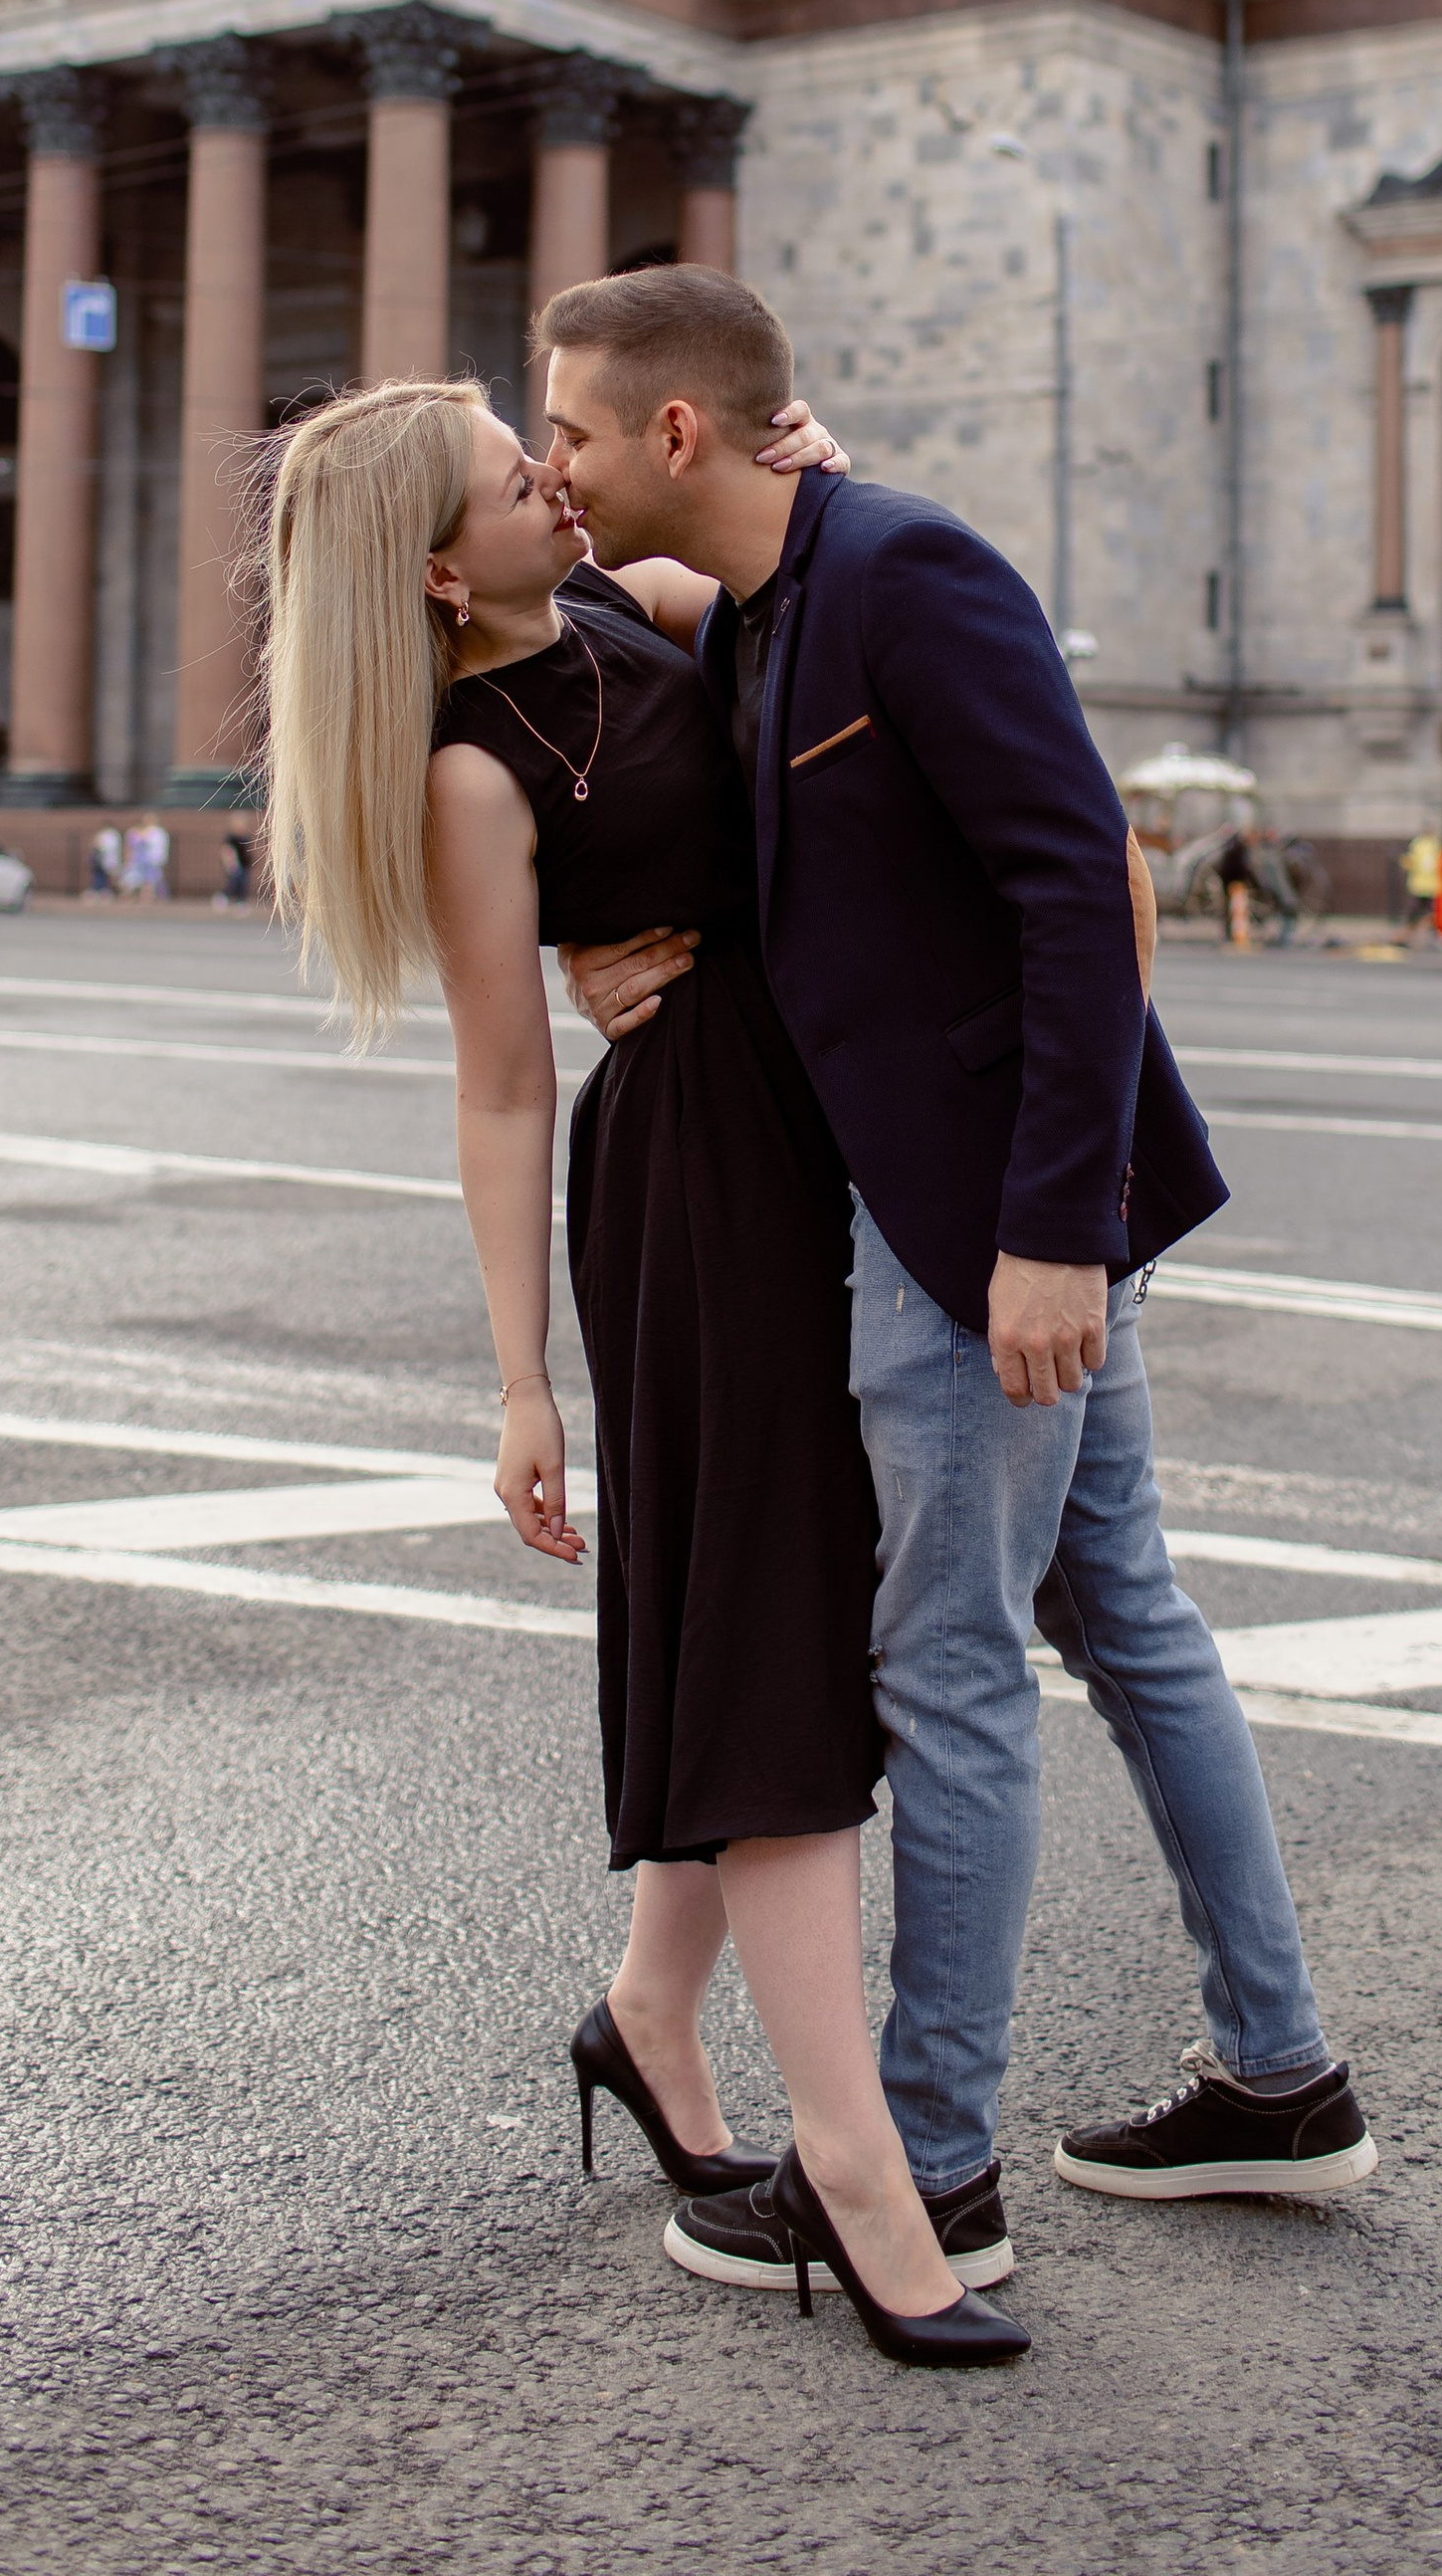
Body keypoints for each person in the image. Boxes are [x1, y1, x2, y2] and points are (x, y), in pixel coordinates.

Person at [540, 264, 1374, 2303]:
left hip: (977, 1230)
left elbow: (1077, 884)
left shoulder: (905, 574)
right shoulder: (752, 601)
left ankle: (916, 2170)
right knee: (1124, 1615)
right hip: (949, 1207)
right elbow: (524, 643)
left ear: (672, 432)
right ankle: (1276, 2077)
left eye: (565, 431)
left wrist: (1043, 1231)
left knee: (945, 1670)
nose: (546, 470)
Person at [261, 375, 1026, 2372]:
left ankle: (650, 2012)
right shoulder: (460, 769)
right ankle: (855, 2166)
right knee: (770, 1634)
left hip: (811, 1118)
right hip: (691, 1183)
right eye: (513, 476)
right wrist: (522, 1386)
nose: (552, 470)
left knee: (759, 1606)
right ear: (441, 567)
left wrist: (821, 476)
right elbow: (500, 1082)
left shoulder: (626, 611)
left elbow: (790, 616)